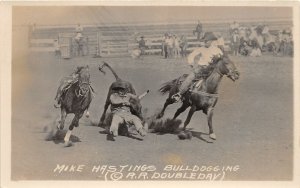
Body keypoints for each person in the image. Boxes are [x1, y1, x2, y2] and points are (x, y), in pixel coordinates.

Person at [172, 37, 225, 102]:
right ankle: (179, 94)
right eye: (205, 41)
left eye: (208, 41)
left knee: (216, 79)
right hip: (201, 68)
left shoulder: (216, 49)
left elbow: (222, 57)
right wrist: (191, 62)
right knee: (190, 77)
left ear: (211, 41)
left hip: (211, 69)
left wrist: (218, 59)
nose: (206, 42)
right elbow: (192, 55)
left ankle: (214, 94)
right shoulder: (201, 49)